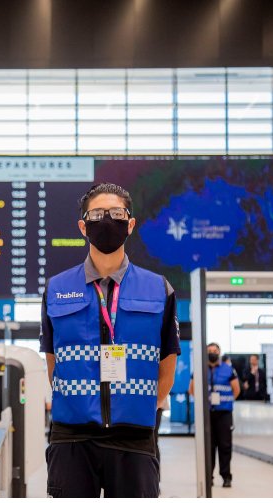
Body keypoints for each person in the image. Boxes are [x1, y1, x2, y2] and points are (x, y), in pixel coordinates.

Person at [40, 183, 180, 498]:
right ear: (82, 226)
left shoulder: (159, 289)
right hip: (71, 441)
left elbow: (167, 369)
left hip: (135, 440)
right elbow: (53, 363)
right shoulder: (57, 289)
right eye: (97, 214)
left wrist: (135, 406)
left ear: (130, 224)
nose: (106, 221)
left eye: (116, 214)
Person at [189, 342, 240, 488]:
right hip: (207, 414)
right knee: (208, 446)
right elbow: (191, 389)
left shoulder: (228, 369)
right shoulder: (199, 369)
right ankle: (208, 476)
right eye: (209, 350)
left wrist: (226, 402)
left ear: (219, 352)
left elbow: (236, 390)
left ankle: (226, 477)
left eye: (215, 350)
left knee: (225, 446)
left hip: (224, 413)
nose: (212, 352)